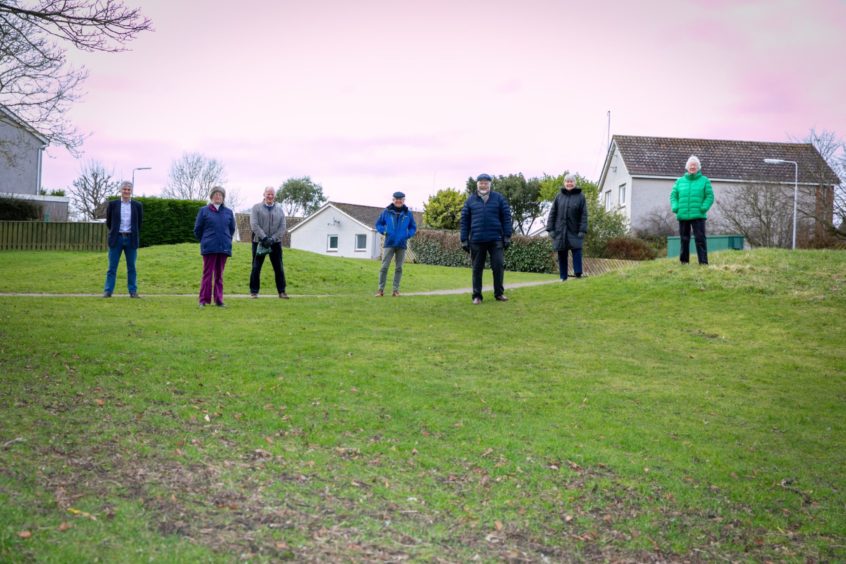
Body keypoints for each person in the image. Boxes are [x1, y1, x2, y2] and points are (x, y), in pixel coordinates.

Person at [460, 173, 513, 304]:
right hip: (477, 240)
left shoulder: (499, 198)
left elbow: (506, 217)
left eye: (486, 183)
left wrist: (507, 236)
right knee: (477, 269)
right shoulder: (470, 200)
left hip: (496, 239)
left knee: (498, 267)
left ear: (490, 185)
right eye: (481, 183)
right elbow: (464, 221)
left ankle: (499, 294)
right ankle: (477, 296)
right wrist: (464, 239)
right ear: (477, 185)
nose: (483, 185)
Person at [194, 186, 236, 307]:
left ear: (223, 198)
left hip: (223, 248)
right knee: (207, 274)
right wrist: (205, 240)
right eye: (216, 194)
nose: (218, 197)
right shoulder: (204, 211)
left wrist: (226, 239)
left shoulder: (228, 212)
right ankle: (203, 300)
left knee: (219, 275)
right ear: (211, 196)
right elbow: (197, 230)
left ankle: (219, 300)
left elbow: (231, 229)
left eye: (220, 195)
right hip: (209, 248)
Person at [670, 155, 714, 265]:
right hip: (683, 214)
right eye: (691, 165)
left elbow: (710, 196)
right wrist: (675, 207)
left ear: (698, 167)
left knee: (700, 239)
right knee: (684, 239)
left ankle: (703, 262)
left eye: (695, 165)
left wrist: (704, 208)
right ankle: (684, 261)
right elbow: (673, 196)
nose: (693, 167)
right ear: (687, 167)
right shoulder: (679, 181)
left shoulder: (705, 181)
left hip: (698, 215)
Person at [103, 180, 143, 298]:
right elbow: (109, 222)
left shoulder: (137, 205)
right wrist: (116, 232)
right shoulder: (113, 204)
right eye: (124, 189)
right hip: (117, 239)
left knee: (132, 267)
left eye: (128, 190)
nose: (126, 191)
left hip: (131, 239)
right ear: (121, 190)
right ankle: (108, 291)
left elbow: (139, 223)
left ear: (131, 191)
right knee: (112, 267)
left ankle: (133, 291)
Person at [374, 191, 417, 297]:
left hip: (402, 244)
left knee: (399, 268)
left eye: (401, 199)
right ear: (393, 200)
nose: (398, 201)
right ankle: (380, 290)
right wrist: (383, 231)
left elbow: (413, 227)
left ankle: (395, 290)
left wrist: (407, 235)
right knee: (384, 267)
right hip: (389, 243)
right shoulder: (386, 211)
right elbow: (378, 224)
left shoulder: (408, 214)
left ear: (403, 200)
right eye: (396, 199)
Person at [546, 174, 588, 281]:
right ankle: (563, 277)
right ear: (564, 183)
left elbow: (584, 215)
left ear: (574, 183)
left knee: (577, 251)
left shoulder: (581, 197)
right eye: (567, 181)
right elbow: (552, 213)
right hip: (560, 231)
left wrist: (582, 230)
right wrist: (550, 229)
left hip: (575, 231)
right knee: (562, 254)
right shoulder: (559, 196)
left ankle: (578, 274)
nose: (569, 183)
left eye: (571, 181)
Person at [249, 187, 289, 299]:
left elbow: (282, 227)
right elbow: (254, 225)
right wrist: (265, 238)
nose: (270, 196)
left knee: (279, 268)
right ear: (264, 194)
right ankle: (254, 292)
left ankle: (282, 292)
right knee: (256, 267)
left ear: (274, 195)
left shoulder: (280, 210)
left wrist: (273, 239)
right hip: (259, 242)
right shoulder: (256, 208)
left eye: (272, 194)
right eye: (268, 194)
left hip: (275, 243)